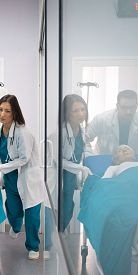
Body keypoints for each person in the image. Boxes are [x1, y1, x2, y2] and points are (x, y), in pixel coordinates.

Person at [0, 95, 43, 260]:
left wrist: (1, 167)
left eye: (7, 111)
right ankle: (16, 225)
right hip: (11, 177)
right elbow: (1, 153)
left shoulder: (22, 133)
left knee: (32, 215)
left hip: (27, 177)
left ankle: (33, 246)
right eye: (0, 109)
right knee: (12, 211)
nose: (2, 114)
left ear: (15, 113)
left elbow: (23, 159)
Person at [58, 95, 93, 234]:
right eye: (75, 111)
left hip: (71, 173)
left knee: (68, 204)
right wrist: (81, 168)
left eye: (83, 109)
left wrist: (85, 166)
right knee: (60, 204)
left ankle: (62, 227)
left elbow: (84, 150)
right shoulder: (60, 132)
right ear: (66, 113)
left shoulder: (82, 130)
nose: (81, 114)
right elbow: (58, 160)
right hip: (60, 173)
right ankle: (56, 233)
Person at [87, 89, 138, 155]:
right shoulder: (101, 119)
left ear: (137, 105)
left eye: (132, 107)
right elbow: (84, 139)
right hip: (105, 161)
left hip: (133, 161)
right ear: (117, 106)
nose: (128, 111)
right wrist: (90, 158)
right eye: (124, 107)